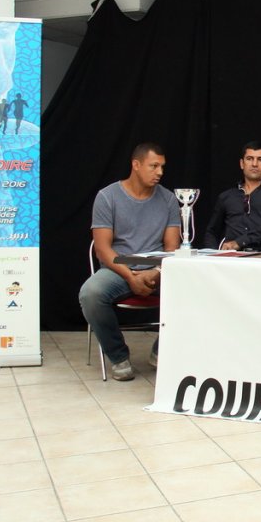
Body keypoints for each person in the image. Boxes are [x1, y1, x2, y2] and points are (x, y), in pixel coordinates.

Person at [78, 142, 181, 381]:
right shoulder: (107, 196)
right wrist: (129, 276)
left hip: (159, 269)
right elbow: (103, 249)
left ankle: (161, 349)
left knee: (196, 289)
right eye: (154, 166)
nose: (160, 172)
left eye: (162, 167)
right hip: (118, 269)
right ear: (136, 165)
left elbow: (172, 247)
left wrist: (155, 272)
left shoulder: (168, 199)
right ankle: (118, 355)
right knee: (90, 293)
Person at [203, 141, 261, 251]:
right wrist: (212, 255)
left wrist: (240, 242)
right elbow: (212, 231)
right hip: (232, 259)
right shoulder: (227, 196)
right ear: (242, 163)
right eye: (249, 158)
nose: (254, 164)